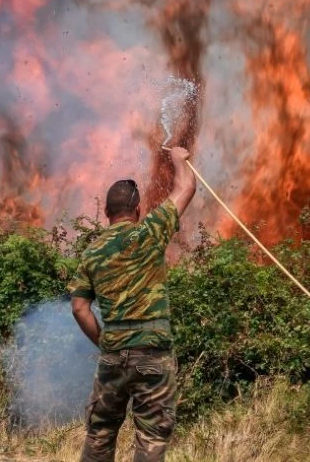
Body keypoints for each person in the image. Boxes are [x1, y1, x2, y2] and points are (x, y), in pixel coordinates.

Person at [69, 146, 197, 462]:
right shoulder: (148, 233)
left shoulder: (92, 253)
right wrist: (179, 160)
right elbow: (187, 188)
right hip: (152, 353)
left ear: (106, 214)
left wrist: (106, 342)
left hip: (112, 356)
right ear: (137, 210)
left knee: (99, 434)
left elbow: (79, 308)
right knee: (151, 438)